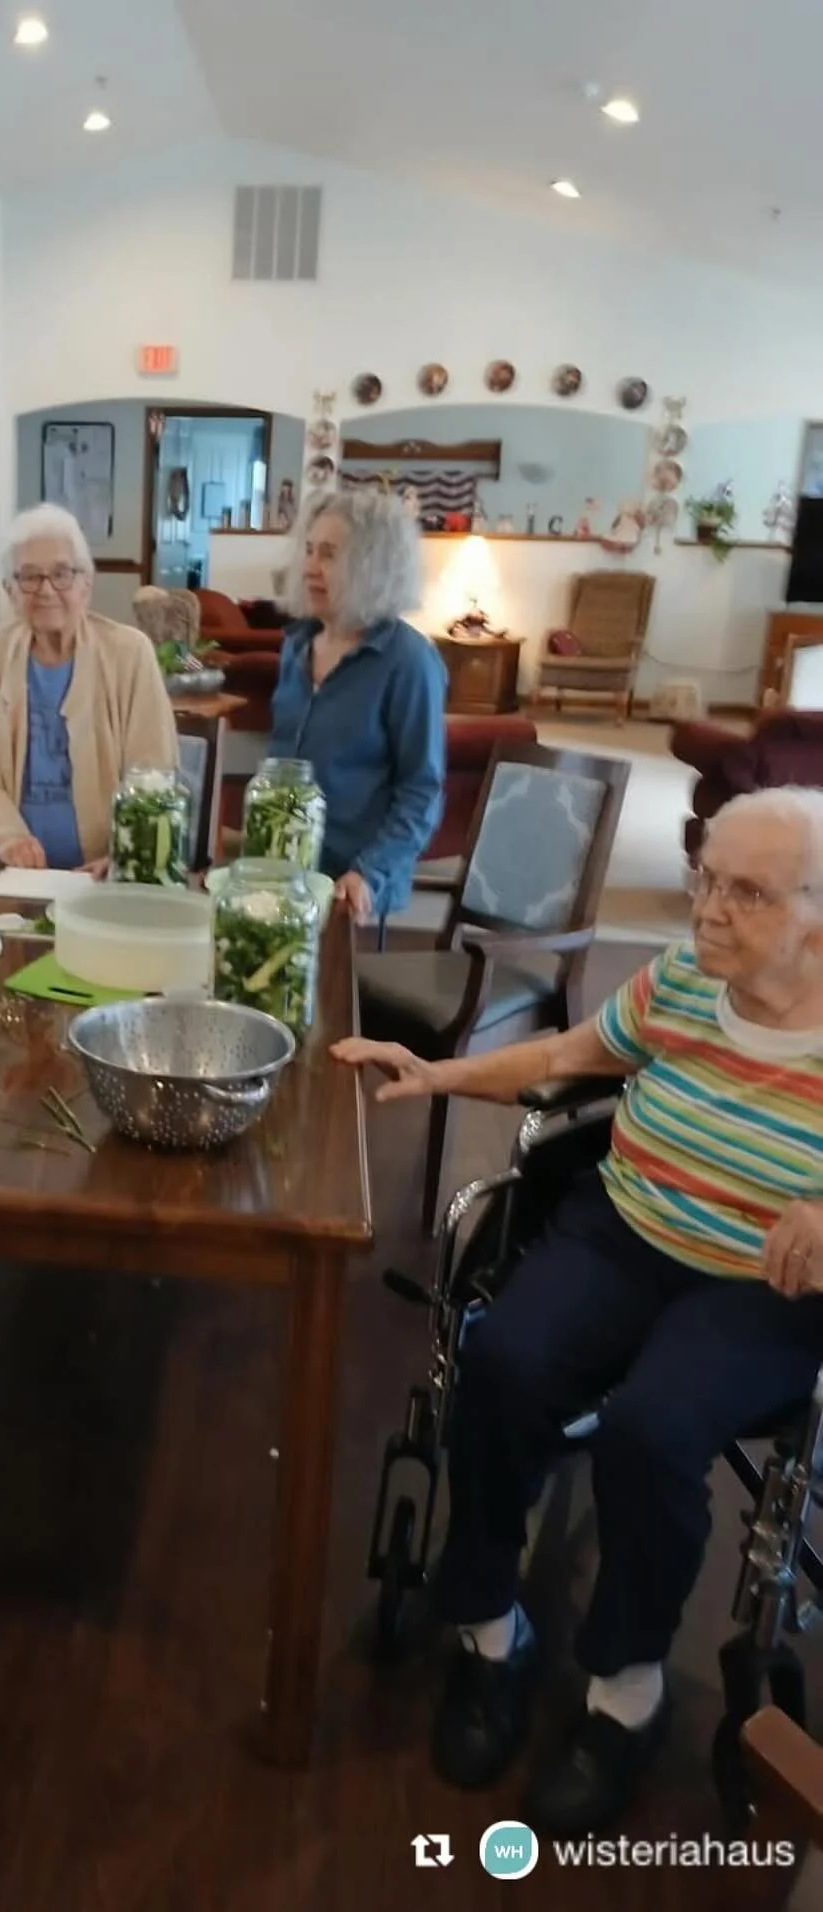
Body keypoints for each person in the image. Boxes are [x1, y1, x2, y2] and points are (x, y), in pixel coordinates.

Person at [332, 786, 823, 1836]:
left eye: (747, 891)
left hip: (761, 1287)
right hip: (629, 1224)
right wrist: (437, 1069)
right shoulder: (686, 982)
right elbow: (565, 1059)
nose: (709, 911)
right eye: (705, 877)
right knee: (501, 1360)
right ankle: (488, 1629)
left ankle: (625, 1691)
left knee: (650, 1429)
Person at [0, 504, 179, 871]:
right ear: (10, 590)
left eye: (61, 573)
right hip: (17, 874)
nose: (46, 590)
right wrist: (9, 841)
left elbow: (154, 772)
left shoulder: (130, 653)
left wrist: (125, 857)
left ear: (86, 585)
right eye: (29, 577)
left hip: (108, 875)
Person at [269, 488, 446, 922]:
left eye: (329, 555)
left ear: (372, 567)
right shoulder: (295, 647)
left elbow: (421, 791)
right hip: (282, 874)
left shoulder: (409, 661)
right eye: (308, 550)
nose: (309, 567)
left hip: (353, 889)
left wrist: (369, 872)